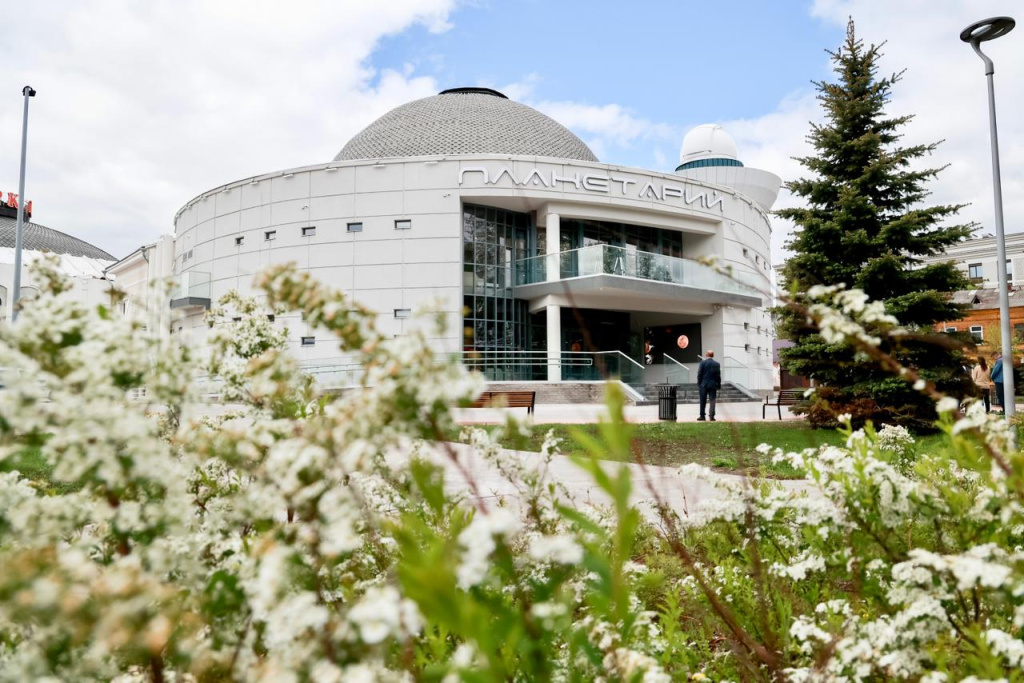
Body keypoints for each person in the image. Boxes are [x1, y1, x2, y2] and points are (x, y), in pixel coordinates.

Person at [696, 349, 722, 422]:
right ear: (713, 355)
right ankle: (712, 416)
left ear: (706, 355)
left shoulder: (702, 363)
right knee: (712, 400)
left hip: (703, 385)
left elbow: (699, 374)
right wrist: (718, 385)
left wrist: (699, 383)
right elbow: (718, 376)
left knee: (702, 400)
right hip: (713, 385)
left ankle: (702, 416)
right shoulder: (717, 364)